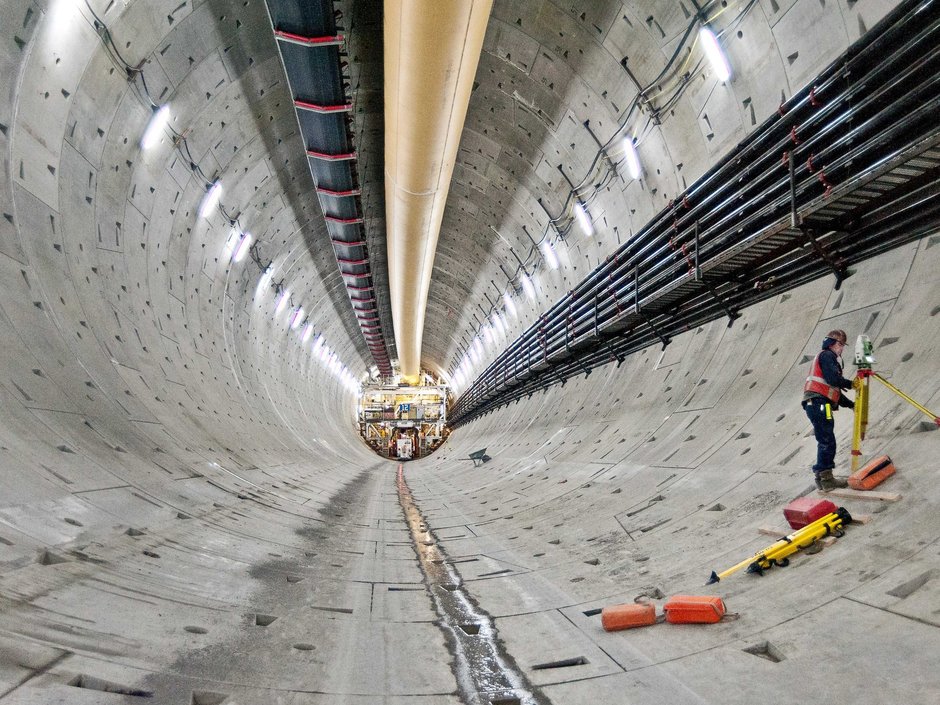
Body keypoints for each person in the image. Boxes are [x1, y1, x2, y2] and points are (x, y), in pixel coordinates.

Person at [802, 329, 855, 490]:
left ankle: (821, 478)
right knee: (827, 439)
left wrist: (851, 404)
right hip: (819, 404)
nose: (842, 349)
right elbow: (834, 380)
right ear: (835, 343)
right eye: (841, 345)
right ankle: (827, 479)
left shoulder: (825, 358)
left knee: (824, 438)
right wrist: (851, 384)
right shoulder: (827, 356)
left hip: (816, 403)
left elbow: (834, 392)